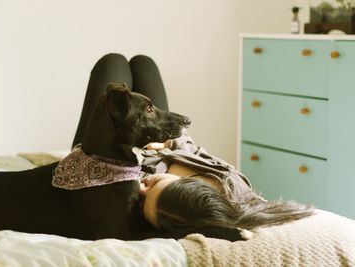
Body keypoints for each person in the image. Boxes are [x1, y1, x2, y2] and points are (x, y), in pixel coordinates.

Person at [71, 53, 314, 239]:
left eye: (141, 202)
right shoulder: (231, 186)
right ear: (183, 185)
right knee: (142, 64)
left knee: (112, 62)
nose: (140, 188)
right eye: (153, 186)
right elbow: (190, 147)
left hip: (101, 148)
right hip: (163, 141)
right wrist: (166, 144)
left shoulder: (161, 214)